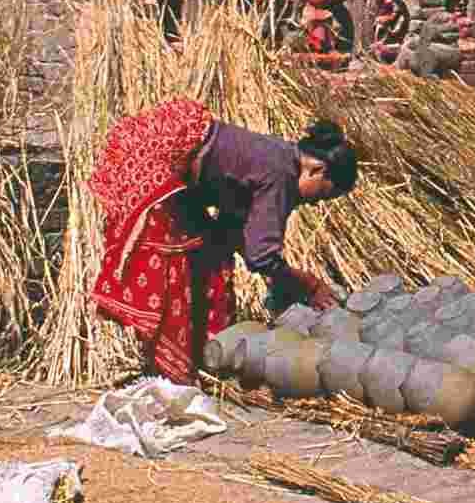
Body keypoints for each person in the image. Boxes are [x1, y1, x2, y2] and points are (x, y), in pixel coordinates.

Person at [88, 103, 359, 381]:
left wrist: (280, 279)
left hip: (173, 168)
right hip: (155, 166)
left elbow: (234, 232)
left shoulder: (279, 157)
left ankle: (200, 360)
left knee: (212, 254)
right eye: (323, 195)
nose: (315, 203)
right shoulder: (281, 173)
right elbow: (261, 255)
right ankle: (171, 375)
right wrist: (307, 283)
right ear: (317, 169)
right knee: (175, 265)